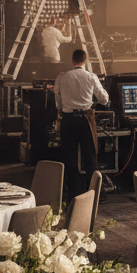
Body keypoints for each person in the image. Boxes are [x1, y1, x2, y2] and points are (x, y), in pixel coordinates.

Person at [53, 48, 109, 201]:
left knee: (69, 157)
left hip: (68, 119)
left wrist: (63, 108)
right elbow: (104, 99)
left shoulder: (62, 77)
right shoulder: (91, 77)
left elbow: (57, 100)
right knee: (90, 156)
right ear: (85, 61)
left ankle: (73, 194)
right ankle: (94, 193)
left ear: (73, 61)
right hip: (86, 118)